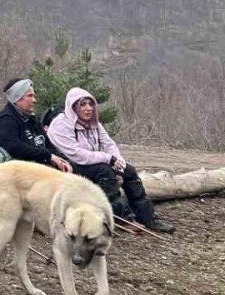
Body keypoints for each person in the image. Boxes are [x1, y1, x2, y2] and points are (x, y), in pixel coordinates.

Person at [45, 87, 174, 232]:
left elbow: (108, 143)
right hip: (66, 166)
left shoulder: (93, 124)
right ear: (73, 106)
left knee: (129, 171)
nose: (88, 109)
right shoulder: (62, 124)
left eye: (90, 104)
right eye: (82, 104)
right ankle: (122, 218)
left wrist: (119, 160)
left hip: (88, 162)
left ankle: (148, 217)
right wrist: (108, 159)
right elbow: (76, 154)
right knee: (105, 172)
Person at [0, 78, 72, 173]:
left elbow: (47, 144)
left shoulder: (31, 119)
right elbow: (15, 148)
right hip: (16, 173)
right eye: (30, 96)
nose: (34, 100)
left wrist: (63, 161)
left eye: (34, 96)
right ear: (17, 97)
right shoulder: (5, 120)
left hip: (39, 166)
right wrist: (48, 156)